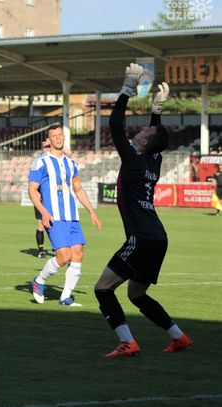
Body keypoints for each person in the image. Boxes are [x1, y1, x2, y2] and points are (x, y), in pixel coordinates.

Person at [94, 63, 192, 358]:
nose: (143, 130)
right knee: (136, 294)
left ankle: (127, 342)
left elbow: (114, 125)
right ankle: (178, 337)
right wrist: (156, 110)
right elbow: (158, 138)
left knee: (103, 289)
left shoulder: (135, 160)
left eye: (147, 130)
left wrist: (127, 88)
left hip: (141, 238)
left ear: (146, 141)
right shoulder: (153, 162)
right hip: (158, 238)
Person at [28, 125, 101, 307]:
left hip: (72, 216)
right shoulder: (41, 162)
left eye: (60, 135)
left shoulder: (70, 163)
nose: (58, 138)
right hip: (53, 216)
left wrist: (92, 212)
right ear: (49, 140)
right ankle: (39, 281)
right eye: (54, 136)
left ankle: (65, 297)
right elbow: (32, 190)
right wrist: (44, 212)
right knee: (63, 256)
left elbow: (78, 189)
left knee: (77, 254)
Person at [34, 138, 74, 258]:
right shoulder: (40, 161)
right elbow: (33, 182)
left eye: (48, 146)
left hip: (57, 199)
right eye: (45, 146)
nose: (47, 148)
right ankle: (41, 251)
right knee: (41, 225)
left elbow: (70, 154)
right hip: (42, 199)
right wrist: (36, 193)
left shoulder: (59, 159)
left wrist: (56, 145)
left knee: (59, 224)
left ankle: (58, 246)